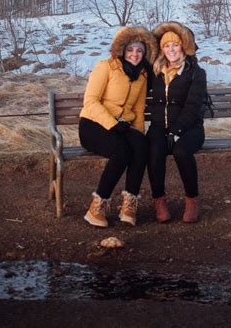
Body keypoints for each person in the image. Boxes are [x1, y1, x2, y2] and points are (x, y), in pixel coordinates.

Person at [79, 26, 157, 227]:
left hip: (122, 127)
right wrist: (113, 124)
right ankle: (96, 208)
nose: (134, 54)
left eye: (139, 50)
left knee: (141, 146)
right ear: (122, 50)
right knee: (122, 152)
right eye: (130, 50)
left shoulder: (142, 75)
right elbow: (91, 101)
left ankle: (129, 204)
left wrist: (138, 135)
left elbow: (139, 111)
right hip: (93, 125)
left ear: (144, 53)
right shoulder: (106, 66)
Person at [147, 21, 207, 223]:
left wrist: (177, 130)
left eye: (175, 44)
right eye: (166, 45)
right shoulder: (154, 71)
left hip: (190, 128)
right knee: (154, 151)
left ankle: (192, 200)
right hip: (159, 127)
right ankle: (159, 202)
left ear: (183, 46)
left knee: (181, 151)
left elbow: (193, 105)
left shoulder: (195, 72)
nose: (171, 49)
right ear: (161, 49)